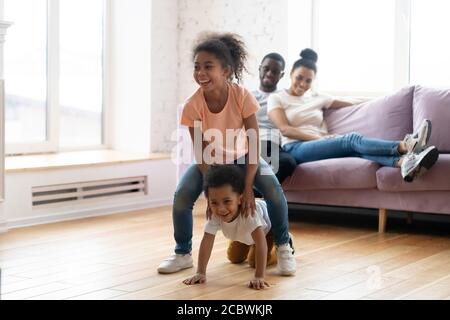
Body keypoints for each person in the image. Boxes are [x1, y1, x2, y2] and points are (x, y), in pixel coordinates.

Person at [157, 32, 296, 276]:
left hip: (244, 156)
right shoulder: (193, 105)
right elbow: (200, 153)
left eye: (208, 66)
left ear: (226, 70)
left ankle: (284, 247)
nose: (200, 72)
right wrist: (211, 190)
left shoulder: (242, 96)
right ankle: (182, 253)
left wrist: (249, 188)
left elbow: (254, 144)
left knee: (273, 189)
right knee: (182, 195)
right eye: (197, 67)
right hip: (211, 163)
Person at [268, 48, 439, 182]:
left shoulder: (318, 97)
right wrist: (319, 138)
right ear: (291, 74)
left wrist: (389, 98)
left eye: (308, 80)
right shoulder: (277, 98)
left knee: (355, 152)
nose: (303, 84)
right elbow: (285, 129)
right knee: (351, 140)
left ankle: (404, 163)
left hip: (323, 142)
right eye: (299, 77)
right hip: (296, 147)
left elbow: (352, 101)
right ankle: (406, 145)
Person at [183, 165, 277, 290]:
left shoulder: (248, 213)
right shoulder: (215, 213)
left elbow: (261, 244)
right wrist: (200, 272)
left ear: (240, 199)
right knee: (234, 258)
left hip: (266, 232)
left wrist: (259, 276)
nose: (221, 209)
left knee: (254, 262)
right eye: (214, 202)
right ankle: (249, 245)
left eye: (227, 201)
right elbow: (207, 240)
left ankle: (280, 245)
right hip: (244, 235)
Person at [253, 53, 297, 184]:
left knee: (288, 162)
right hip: (252, 143)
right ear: (260, 68)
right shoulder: (248, 96)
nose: (270, 73)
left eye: (275, 71)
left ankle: (256, 194)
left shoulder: (286, 97)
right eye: (266, 68)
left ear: (282, 75)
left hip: (275, 145)